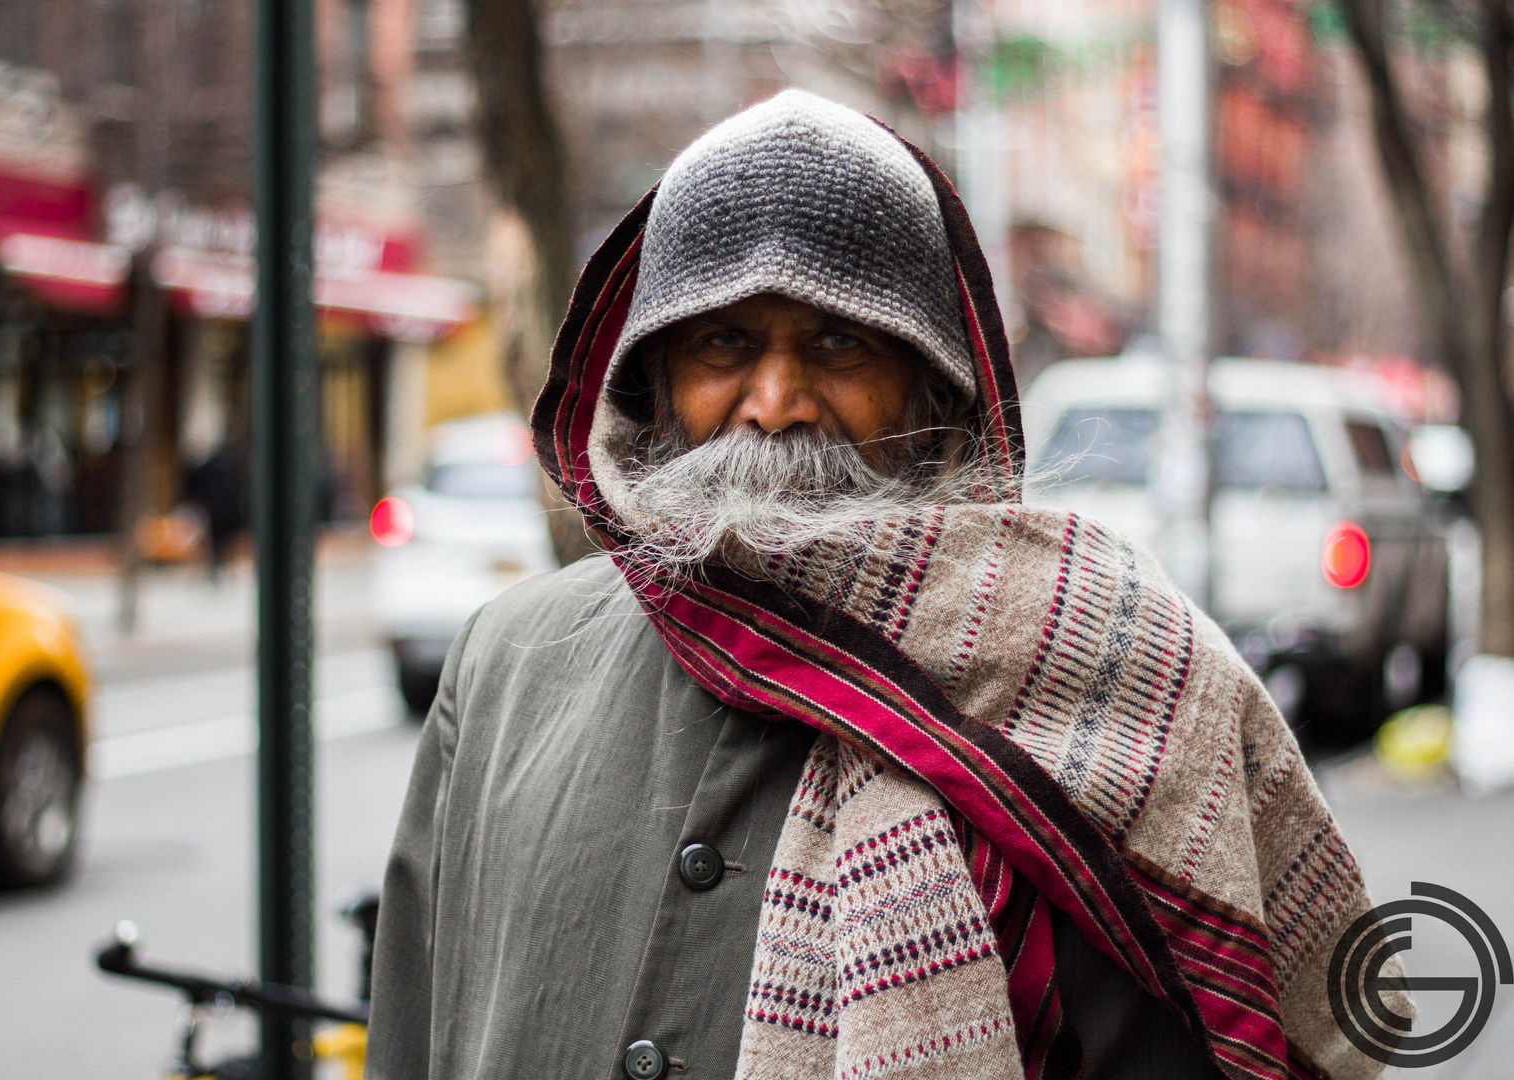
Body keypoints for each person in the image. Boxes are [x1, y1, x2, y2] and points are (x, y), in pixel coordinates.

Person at [366, 91, 1402, 1080]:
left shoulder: (1113, 674)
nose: (773, 404)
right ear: (654, 376)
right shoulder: (505, 666)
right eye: (724, 342)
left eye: (839, 342)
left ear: (932, 389)